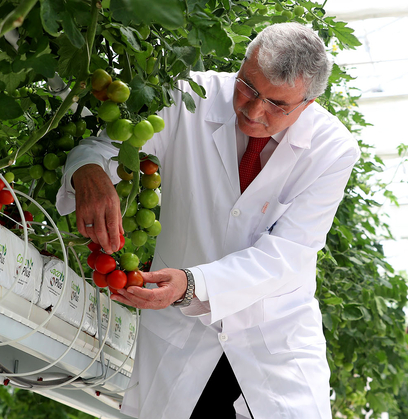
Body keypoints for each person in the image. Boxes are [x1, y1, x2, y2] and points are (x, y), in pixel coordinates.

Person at [56, 22, 360, 419]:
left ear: (308, 104)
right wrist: (89, 171)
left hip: (274, 340)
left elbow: (290, 255)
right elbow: (107, 147)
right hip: (180, 337)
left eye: (276, 104)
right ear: (243, 64)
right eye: (248, 87)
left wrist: (193, 284)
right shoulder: (189, 97)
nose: (253, 110)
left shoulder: (332, 150)